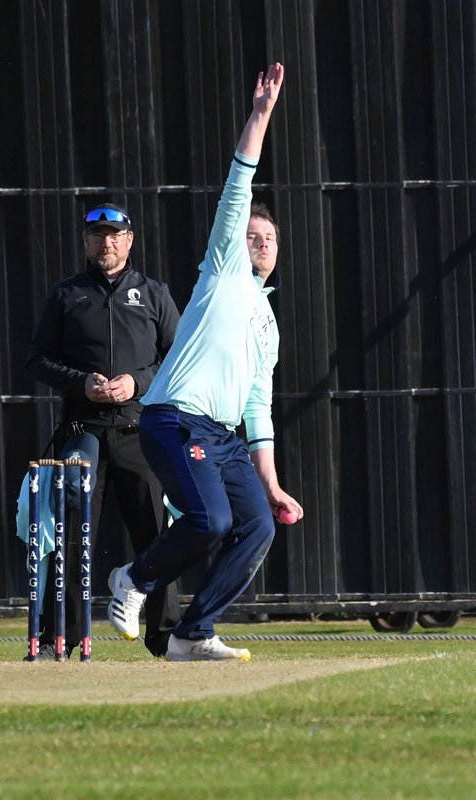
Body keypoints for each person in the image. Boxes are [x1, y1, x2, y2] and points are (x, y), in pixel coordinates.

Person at [106, 63, 303, 662]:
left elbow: (256, 405)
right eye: (252, 235)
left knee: (258, 527)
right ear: (233, 241)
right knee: (210, 521)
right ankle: (132, 580)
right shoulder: (223, 271)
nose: (260, 243)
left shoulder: (267, 322)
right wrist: (259, 116)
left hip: (222, 436)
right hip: (174, 418)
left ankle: (194, 633)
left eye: (269, 239)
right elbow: (240, 185)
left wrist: (270, 484)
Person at [26, 202, 183, 658]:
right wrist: (82, 383)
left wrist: (137, 382)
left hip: (140, 430)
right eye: (97, 236)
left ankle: (166, 637)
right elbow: (37, 359)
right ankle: (65, 635)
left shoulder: (153, 293)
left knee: (158, 535)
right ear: (86, 241)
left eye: (115, 235)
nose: (106, 242)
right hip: (84, 430)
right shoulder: (65, 295)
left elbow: (177, 358)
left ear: (129, 240)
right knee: (72, 532)